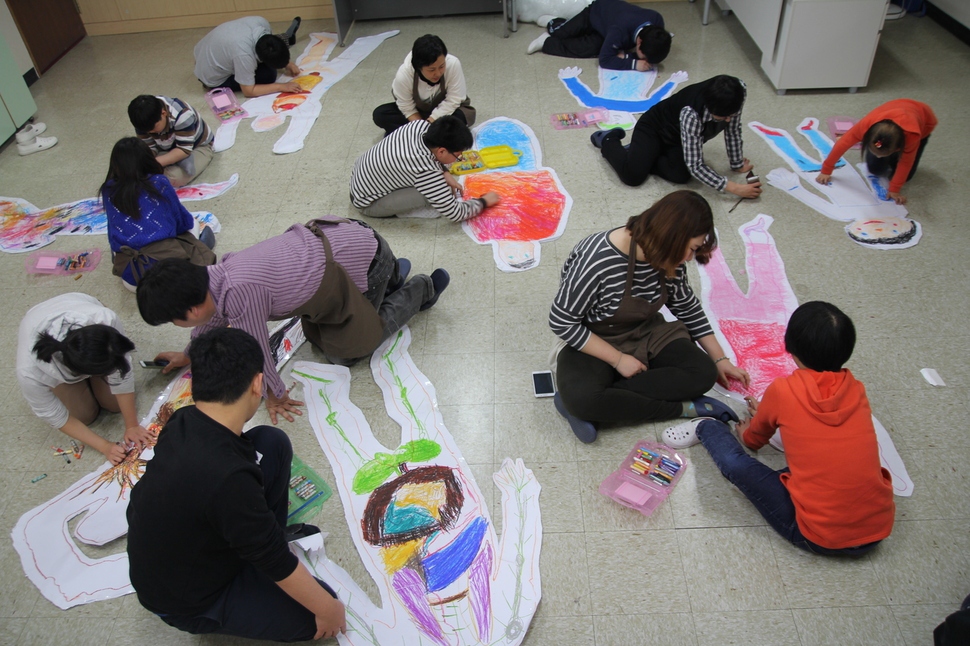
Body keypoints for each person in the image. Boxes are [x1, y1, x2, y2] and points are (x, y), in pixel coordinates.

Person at [126, 327, 346, 641]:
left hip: (193, 544)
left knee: (271, 442)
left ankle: (259, 537)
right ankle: (250, 558)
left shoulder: (185, 418)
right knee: (317, 614)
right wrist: (329, 609)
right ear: (258, 384)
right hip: (187, 600)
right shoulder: (228, 479)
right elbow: (273, 559)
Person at [135, 216, 450, 423]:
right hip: (354, 241)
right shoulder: (210, 278)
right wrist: (186, 355)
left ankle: (420, 288)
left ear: (189, 311)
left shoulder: (240, 292)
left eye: (173, 321)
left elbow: (258, 352)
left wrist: (277, 394)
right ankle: (390, 278)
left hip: (365, 259)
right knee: (319, 332)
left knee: (346, 352)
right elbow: (211, 320)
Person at [665, 301, 895, 556]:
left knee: (737, 465)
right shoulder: (857, 388)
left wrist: (746, 430)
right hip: (877, 530)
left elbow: (753, 441)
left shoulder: (783, 390)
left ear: (790, 347)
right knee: (833, 462)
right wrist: (773, 412)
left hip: (818, 536)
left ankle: (707, 427)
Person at [549, 190, 749, 443]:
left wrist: (720, 358)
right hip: (595, 338)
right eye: (690, 249)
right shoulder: (598, 259)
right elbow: (561, 320)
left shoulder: (669, 257)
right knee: (584, 398)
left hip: (646, 332)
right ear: (671, 237)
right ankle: (684, 409)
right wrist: (618, 359)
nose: (688, 258)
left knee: (703, 374)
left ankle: (598, 404)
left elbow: (687, 306)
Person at [16, 293, 152, 465]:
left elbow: (123, 372)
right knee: (84, 416)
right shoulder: (30, 371)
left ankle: (92, 374)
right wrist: (105, 446)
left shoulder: (105, 320)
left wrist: (132, 425)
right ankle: (83, 381)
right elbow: (54, 416)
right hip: (41, 335)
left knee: (115, 404)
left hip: (75, 302)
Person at [592, 75, 762, 199]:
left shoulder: (738, 91)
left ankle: (643, 154)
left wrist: (737, 163)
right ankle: (609, 140)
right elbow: (696, 165)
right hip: (654, 128)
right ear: (710, 107)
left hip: (678, 136)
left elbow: (733, 129)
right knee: (633, 176)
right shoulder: (692, 112)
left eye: (731, 115)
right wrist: (734, 188)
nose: (728, 121)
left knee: (682, 175)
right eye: (722, 118)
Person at [100, 137, 216, 290]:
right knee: (193, 223)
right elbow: (183, 222)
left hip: (134, 281)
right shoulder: (158, 182)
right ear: (148, 159)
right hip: (169, 272)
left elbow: (112, 236)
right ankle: (199, 245)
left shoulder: (108, 189)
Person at [351, 115, 500, 220]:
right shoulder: (426, 172)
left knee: (437, 188)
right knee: (434, 194)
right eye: (457, 156)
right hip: (368, 202)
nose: (457, 160)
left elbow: (433, 161)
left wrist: (445, 172)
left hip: (360, 177)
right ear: (441, 151)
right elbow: (456, 213)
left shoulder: (419, 126)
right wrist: (484, 202)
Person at [816, 99, 937, 205]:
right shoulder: (865, 127)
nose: (878, 155)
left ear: (897, 149)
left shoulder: (912, 137)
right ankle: (886, 154)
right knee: (875, 169)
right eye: (876, 151)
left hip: (922, 119)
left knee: (906, 176)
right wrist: (826, 169)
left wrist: (894, 189)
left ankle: (892, 157)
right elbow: (842, 144)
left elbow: (906, 163)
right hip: (892, 109)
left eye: (882, 153)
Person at [372, 34, 476, 136]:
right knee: (381, 114)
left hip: (447, 112)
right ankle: (434, 136)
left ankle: (410, 134)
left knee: (460, 117)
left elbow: (454, 99)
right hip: (418, 113)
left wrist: (431, 121)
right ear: (418, 67)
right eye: (431, 70)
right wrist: (422, 127)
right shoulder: (404, 75)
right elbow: (407, 107)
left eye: (441, 66)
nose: (438, 73)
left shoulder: (453, 64)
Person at [527, 0, 671, 71]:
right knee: (562, 32)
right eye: (645, 57)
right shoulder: (620, 30)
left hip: (610, 27)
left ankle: (545, 43)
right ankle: (552, 23)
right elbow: (605, 60)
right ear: (639, 42)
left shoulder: (657, 22)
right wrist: (633, 63)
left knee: (586, 49)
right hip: (596, 13)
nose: (648, 62)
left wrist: (626, 55)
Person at [193, 16, 302, 98]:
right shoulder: (244, 55)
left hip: (206, 53)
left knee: (271, 51)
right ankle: (287, 38)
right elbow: (248, 91)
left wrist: (287, 63)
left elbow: (271, 45)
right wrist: (282, 86)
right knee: (268, 75)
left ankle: (288, 38)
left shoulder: (261, 22)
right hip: (212, 77)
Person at [127, 95, 215, 187]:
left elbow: (184, 150)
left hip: (197, 146)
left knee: (172, 178)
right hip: (165, 147)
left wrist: (152, 164)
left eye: (154, 129)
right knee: (137, 165)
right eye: (147, 131)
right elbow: (149, 147)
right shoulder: (142, 120)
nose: (150, 132)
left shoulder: (182, 115)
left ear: (163, 113)